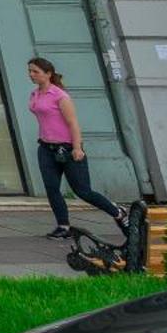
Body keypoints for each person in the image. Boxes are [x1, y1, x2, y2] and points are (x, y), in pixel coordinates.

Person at [27, 57, 128, 240]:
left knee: (83, 191)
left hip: (67, 148)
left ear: (48, 74)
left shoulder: (59, 95)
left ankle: (118, 213)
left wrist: (77, 147)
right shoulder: (35, 95)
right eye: (30, 71)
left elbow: (73, 123)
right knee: (52, 188)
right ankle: (63, 226)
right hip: (46, 148)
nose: (31, 75)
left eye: (36, 71)